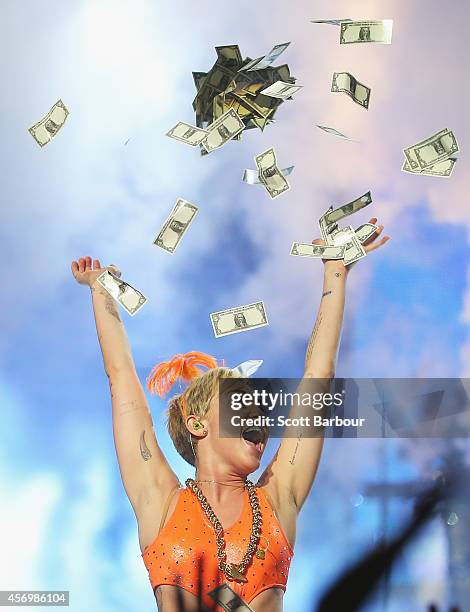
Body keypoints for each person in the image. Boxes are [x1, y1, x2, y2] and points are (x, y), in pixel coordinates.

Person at [71, 218, 390, 611]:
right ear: (198, 423)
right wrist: (101, 291)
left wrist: (335, 271)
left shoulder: (279, 495)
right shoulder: (159, 502)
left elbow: (318, 379)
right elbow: (122, 382)